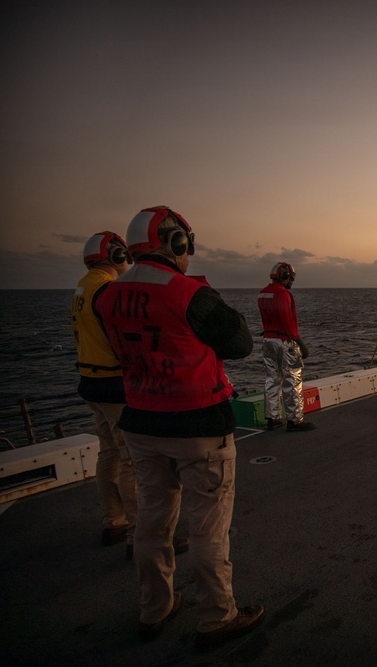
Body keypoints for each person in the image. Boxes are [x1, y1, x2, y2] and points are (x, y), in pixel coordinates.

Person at [96, 206, 264, 647]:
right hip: (199, 424)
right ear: (176, 243)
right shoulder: (188, 293)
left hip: (141, 423)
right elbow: (241, 343)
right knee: (208, 528)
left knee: (152, 522)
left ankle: (154, 609)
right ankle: (217, 617)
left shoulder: (107, 296)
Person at [71, 232, 137, 551]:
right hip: (113, 384)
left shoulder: (83, 287)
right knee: (132, 457)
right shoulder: (109, 289)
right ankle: (140, 534)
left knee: (108, 452)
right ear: (116, 255)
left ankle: (114, 521)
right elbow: (123, 338)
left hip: (90, 382)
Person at [258, 262, 315, 432]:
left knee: (272, 379)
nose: (292, 281)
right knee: (292, 379)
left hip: (268, 341)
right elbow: (288, 323)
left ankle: (273, 416)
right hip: (285, 342)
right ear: (284, 276)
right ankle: (295, 420)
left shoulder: (263, 294)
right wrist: (300, 343)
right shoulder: (283, 295)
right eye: (290, 277)